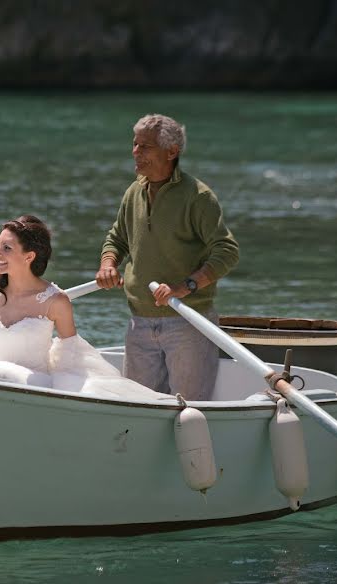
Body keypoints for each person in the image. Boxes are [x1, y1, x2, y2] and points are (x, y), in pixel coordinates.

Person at [0, 215, 169, 400]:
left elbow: (71, 356)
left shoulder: (56, 301)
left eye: (6, 248)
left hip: (34, 389)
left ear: (29, 256)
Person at [96, 114, 240, 401]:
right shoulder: (133, 192)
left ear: (171, 152)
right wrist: (108, 263)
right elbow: (117, 238)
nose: (136, 152)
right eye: (135, 144)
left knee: (188, 412)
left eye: (145, 146)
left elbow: (227, 251)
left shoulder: (198, 196)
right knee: (137, 411)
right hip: (139, 322)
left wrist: (186, 286)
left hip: (189, 323)